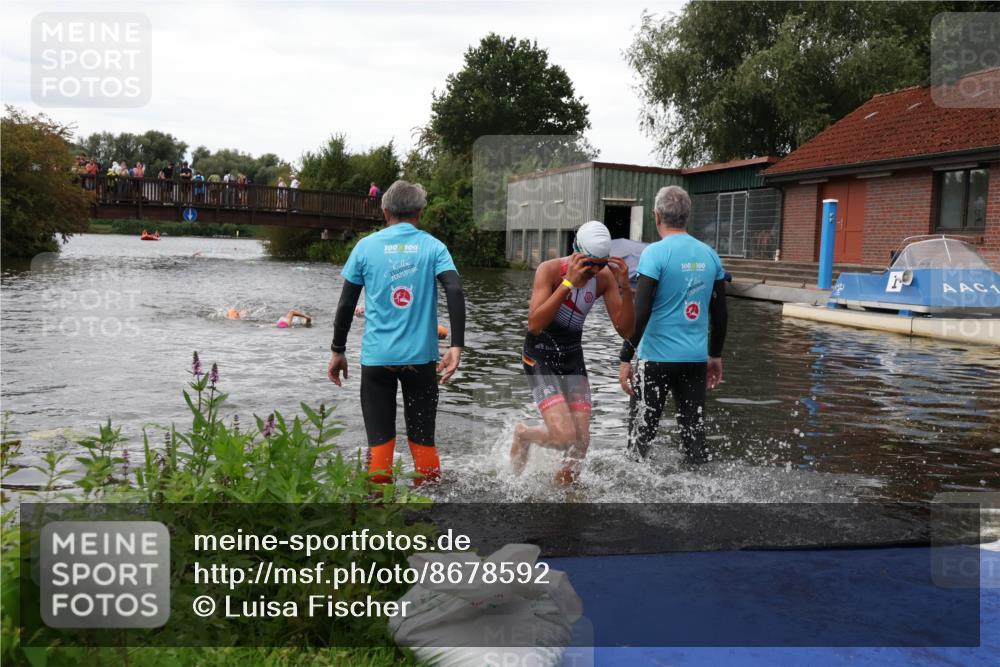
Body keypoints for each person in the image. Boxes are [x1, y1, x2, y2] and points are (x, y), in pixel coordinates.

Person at [328, 180, 466, 486]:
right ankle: (429, 513)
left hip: (378, 360)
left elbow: (346, 302)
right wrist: (457, 345)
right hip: (421, 361)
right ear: (420, 212)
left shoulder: (365, 247)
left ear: (385, 210)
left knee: (380, 444)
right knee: (423, 440)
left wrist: (338, 350)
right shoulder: (433, 246)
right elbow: (454, 289)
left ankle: (380, 516)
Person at [510, 221, 635, 486]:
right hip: (540, 356)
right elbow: (534, 324)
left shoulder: (604, 279)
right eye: (589, 263)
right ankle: (524, 435)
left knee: (581, 441)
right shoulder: (551, 270)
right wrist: (568, 283)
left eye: (600, 264)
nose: (594, 271)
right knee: (563, 436)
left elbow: (626, 331)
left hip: (571, 358)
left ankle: (563, 495)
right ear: (575, 252)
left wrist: (625, 289)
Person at [618, 185, 728, 464]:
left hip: (656, 360)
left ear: (656, 217)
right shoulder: (709, 254)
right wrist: (714, 355)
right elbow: (720, 313)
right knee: (695, 441)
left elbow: (640, 312)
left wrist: (625, 357)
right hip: (694, 360)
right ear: (687, 216)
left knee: (639, 443)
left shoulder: (655, 254)